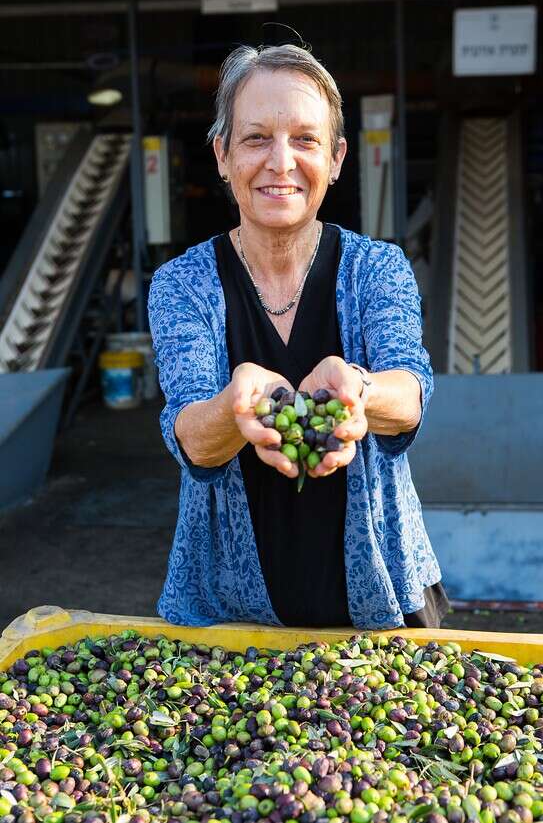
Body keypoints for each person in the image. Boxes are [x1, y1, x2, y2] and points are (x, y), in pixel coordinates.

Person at [148, 43, 449, 631]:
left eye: (306, 140)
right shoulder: (181, 284)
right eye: (256, 137)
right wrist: (233, 409)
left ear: (337, 158)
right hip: (226, 611)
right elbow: (190, 435)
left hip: (384, 593)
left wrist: (359, 391)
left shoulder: (377, 268)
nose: (280, 162)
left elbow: (411, 393)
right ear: (222, 154)